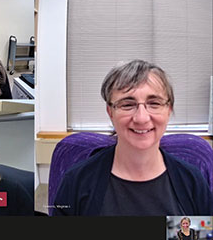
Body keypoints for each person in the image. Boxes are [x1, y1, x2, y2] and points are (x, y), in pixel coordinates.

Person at [53, 59, 213, 216]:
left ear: (169, 110)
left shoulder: (192, 182)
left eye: (154, 103)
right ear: (110, 112)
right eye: (127, 104)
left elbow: (197, 233)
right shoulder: (77, 182)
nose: (141, 118)